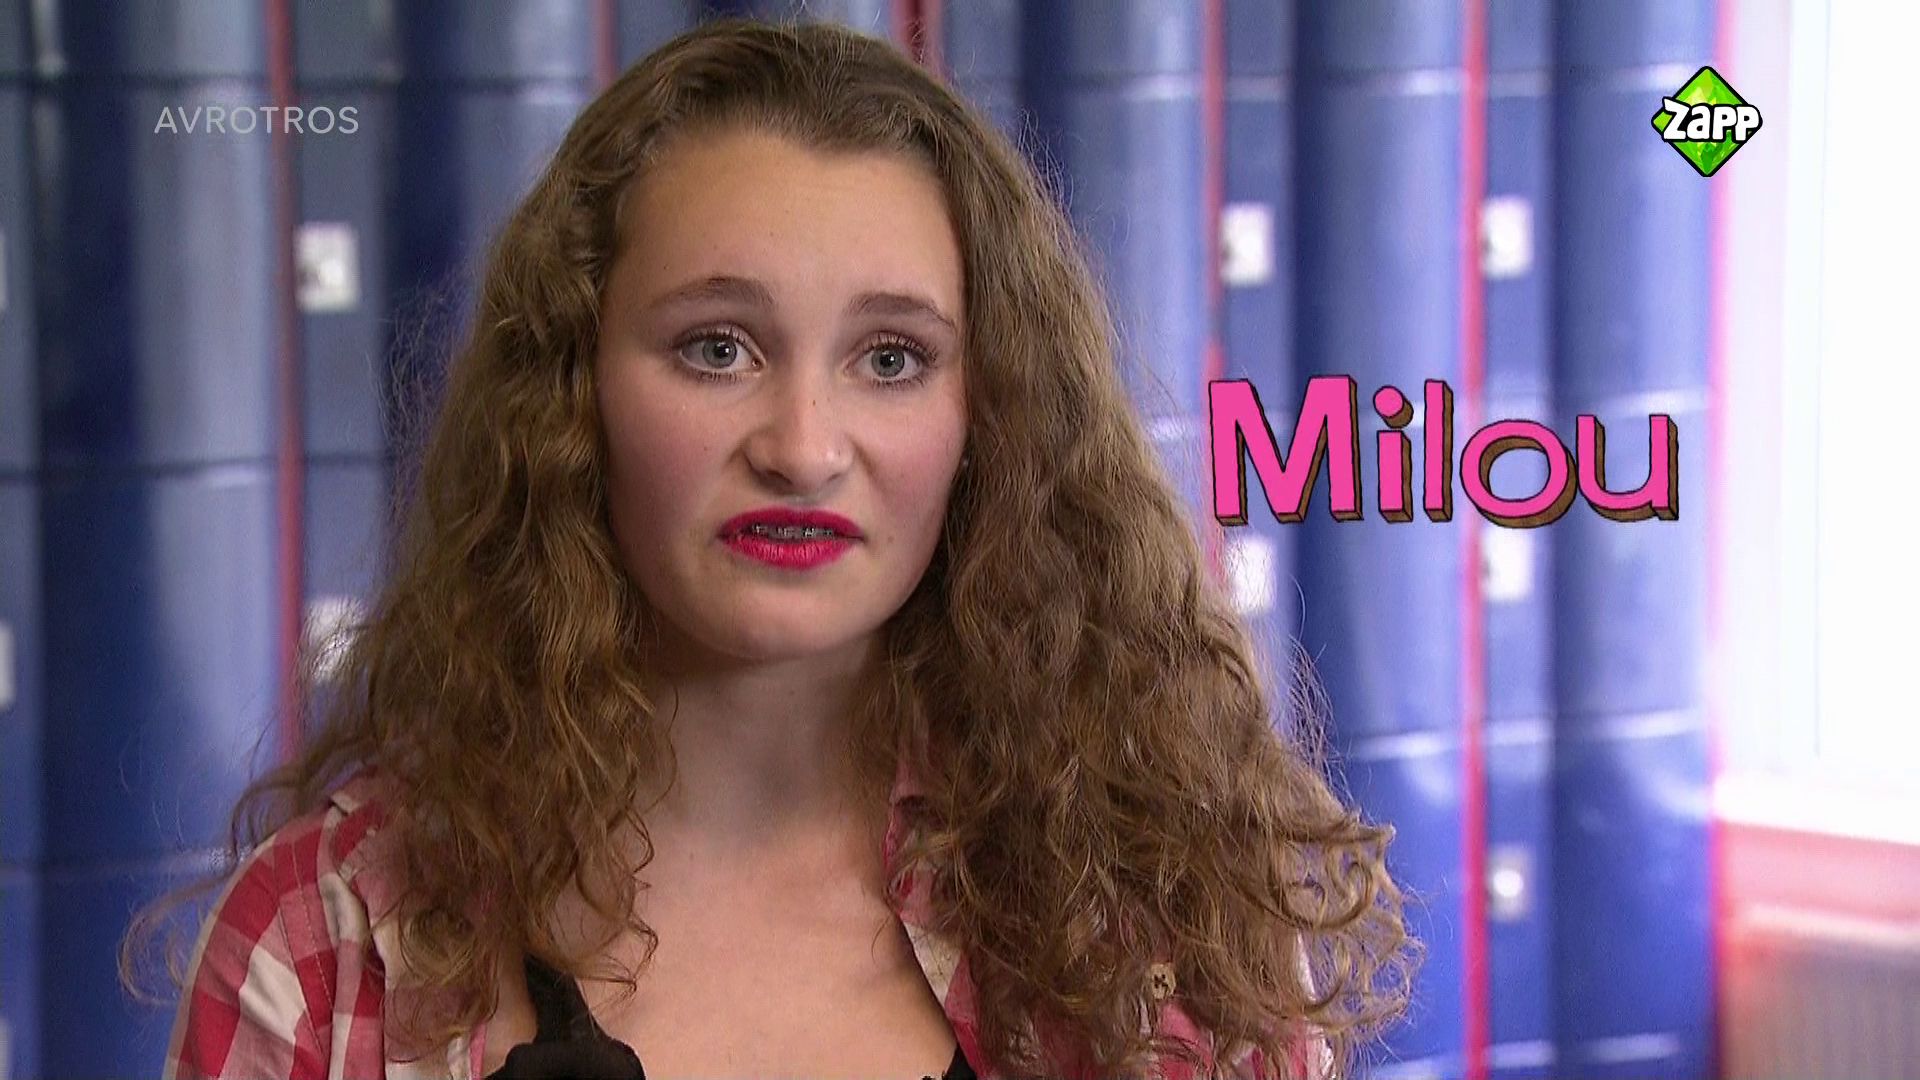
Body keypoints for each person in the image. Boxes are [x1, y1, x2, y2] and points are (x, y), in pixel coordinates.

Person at [125, 17, 1417, 1080]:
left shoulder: (1160, 938)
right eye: (717, 348)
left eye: (891, 359)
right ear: (573, 396)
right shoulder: (326, 942)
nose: (803, 447)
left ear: (991, 418)